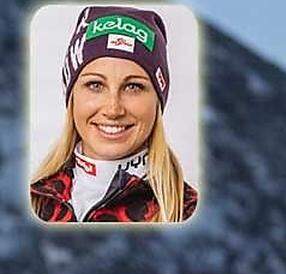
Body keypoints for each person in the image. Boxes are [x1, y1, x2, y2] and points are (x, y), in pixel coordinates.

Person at [30, 6, 198, 223]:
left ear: (157, 101)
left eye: (134, 87)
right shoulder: (35, 200)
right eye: (95, 85)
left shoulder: (185, 210)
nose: (113, 109)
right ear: (72, 97)